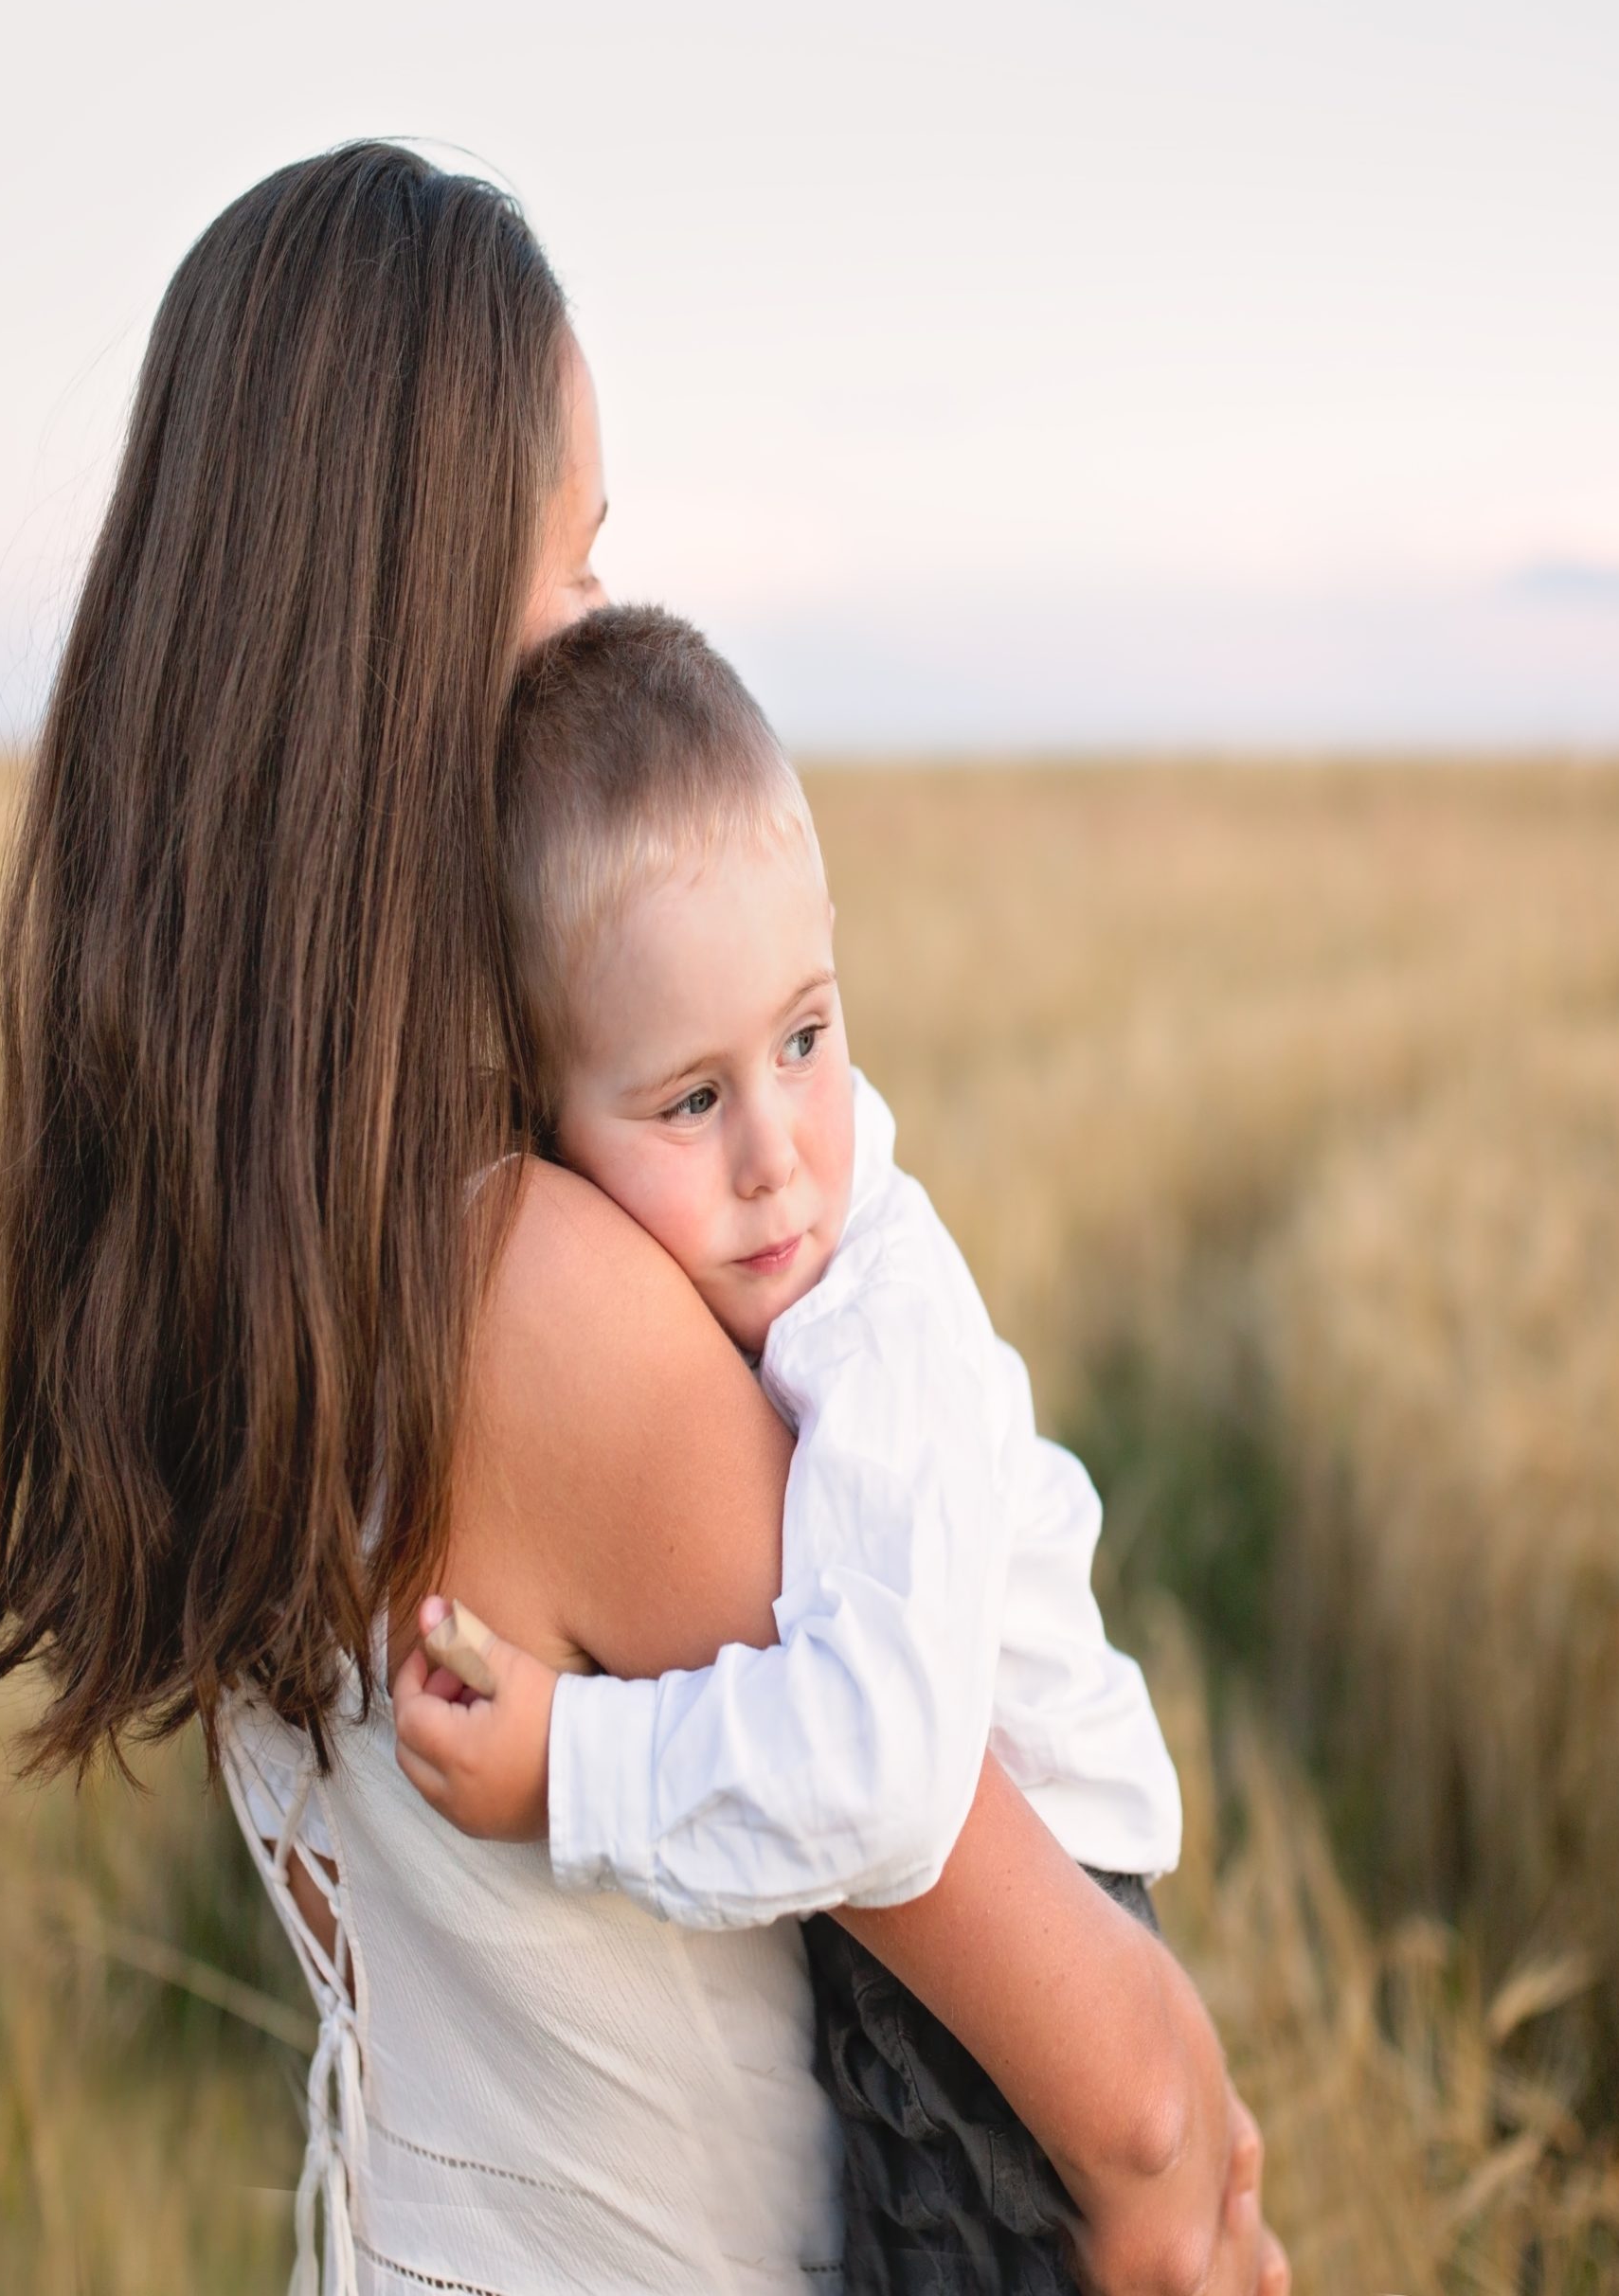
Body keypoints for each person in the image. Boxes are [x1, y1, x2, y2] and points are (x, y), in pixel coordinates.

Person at [0, 138, 1287, 2296]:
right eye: (566, 571)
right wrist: (1172, 2166)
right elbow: (1111, 2067)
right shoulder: (540, 1306)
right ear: (389, 648)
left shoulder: (224, 1245)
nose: (609, 644)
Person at [393, 601, 1185, 2292]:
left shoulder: (870, 1320)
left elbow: (892, 1783)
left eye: (807, 1040)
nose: (778, 1158)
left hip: (1012, 1984)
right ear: (540, 1116)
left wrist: (570, 1765)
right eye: (690, 1100)